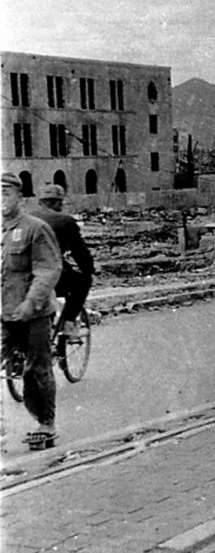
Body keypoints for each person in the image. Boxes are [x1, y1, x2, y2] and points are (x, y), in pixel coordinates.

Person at [1, 173, 62, 449]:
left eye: (5, 194)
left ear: (20, 198)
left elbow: (49, 269)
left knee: (37, 369)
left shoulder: (35, 229)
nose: (1, 201)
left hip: (33, 313)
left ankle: (46, 423)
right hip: (4, 311)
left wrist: (31, 302)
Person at [31, 184, 94, 338]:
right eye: (60, 202)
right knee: (82, 283)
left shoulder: (25, 218)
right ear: (55, 202)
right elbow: (79, 251)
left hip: (21, 273)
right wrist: (89, 270)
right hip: (51, 274)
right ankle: (68, 323)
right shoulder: (65, 221)